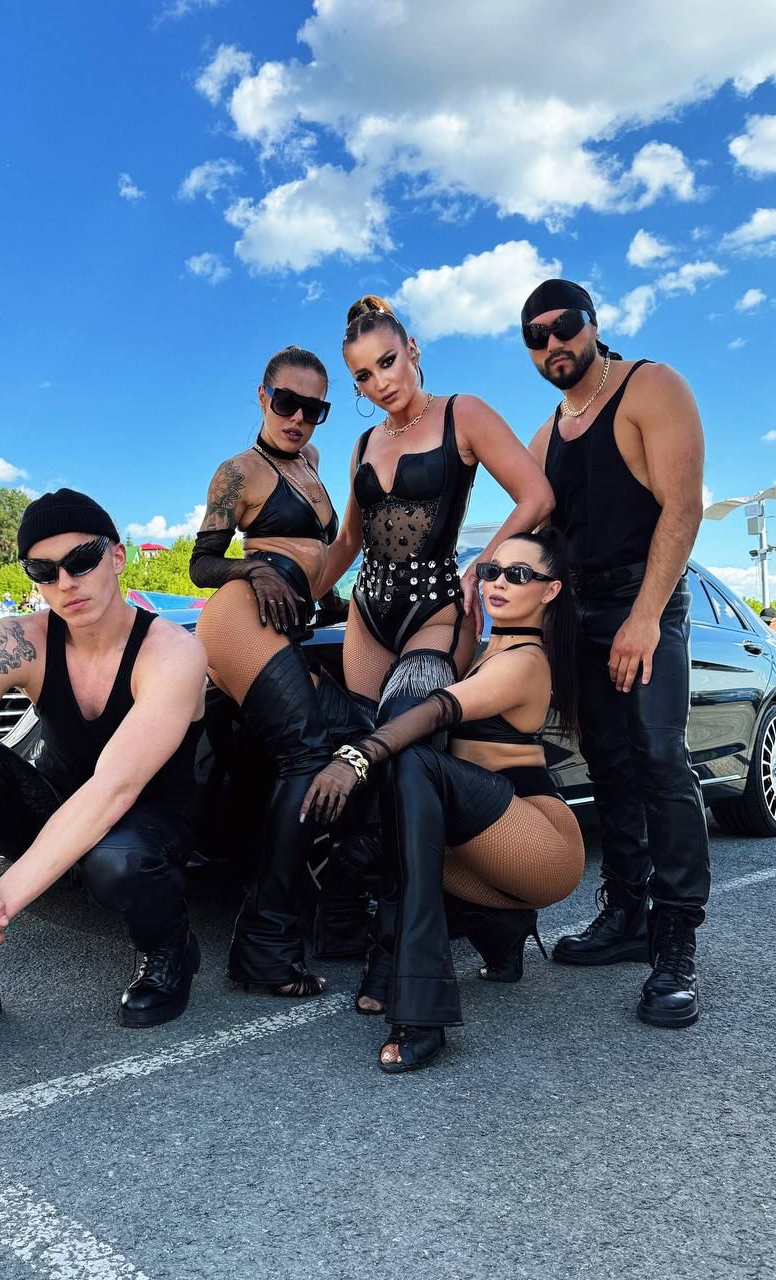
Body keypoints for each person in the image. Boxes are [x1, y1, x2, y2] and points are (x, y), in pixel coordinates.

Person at [0, 488, 207, 1055]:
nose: (65, 582)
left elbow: (114, 787)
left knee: (117, 859)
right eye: (43, 570)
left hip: (147, 818)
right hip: (56, 805)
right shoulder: (20, 640)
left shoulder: (171, 651)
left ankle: (169, 946)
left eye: (81, 560)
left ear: (117, 556)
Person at [301, 529, 585, 1073]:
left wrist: (355, 758)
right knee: (377, 831)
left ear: (550, 591)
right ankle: (498, 930)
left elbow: (435, 710)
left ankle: (422, 1007)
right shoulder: (484, 649)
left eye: (519, 575)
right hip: (486, 842)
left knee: (409, 758)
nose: (499, 583)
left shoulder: (525, 659)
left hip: (541, 843)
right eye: (493, 571)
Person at [521, 277, 709, 1029]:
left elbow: (683, 506)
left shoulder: (649, 386)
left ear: (593, 323)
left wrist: (646, 616)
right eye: (535, 336)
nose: (553, 343)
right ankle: (628, 912)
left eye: (564, 325)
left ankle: (676, 941)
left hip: (646, 599)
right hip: (579, 610)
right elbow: (530, 524)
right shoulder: (547, 434)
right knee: (606, 762)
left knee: (660, 760)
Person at [189, 345, 363, 996]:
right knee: (308, 755)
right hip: (242, 616)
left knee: (360, 739)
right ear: (263, 397)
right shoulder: (238, 472)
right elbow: (201, 565)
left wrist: (334, 600)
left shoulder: (311, 462)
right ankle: (263, 944)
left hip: (288, 625)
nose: (298, 419)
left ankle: (340, 910)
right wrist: (253, 569)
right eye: (287, 403)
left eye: (314, 409)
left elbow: (315, 553)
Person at [314, 295, 554, 720]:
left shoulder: (462, 413)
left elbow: (537, 497)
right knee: (363, 738)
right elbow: (349, 541)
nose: (380, 383)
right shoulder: (364, 444)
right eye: (364, 376)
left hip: (436, 613)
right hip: (367, 618)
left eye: (387, 362)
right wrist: (298, 600)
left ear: (412, 350)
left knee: (403, 728)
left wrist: (478, 568)